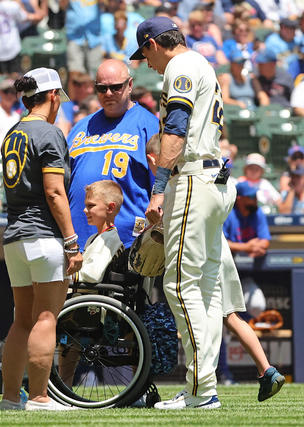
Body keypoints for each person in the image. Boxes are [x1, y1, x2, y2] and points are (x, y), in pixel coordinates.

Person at [132, 16, 234, 409]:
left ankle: (199, 390)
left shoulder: (180, 66)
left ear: (153, 44)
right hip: (214, 179)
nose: (146, 63)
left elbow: (175, 127)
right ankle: (203, 388)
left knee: (178, 284)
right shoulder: (202, 63)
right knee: (205, 290)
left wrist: (158, 190)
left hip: (192, 177)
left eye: (144, 55)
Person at [148, 136, 284, 402]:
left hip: (209, 258)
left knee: (215, 312)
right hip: (217, 256)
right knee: (228, 316)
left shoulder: (182, 188)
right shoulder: (216, 191)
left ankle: (204, 385)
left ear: (155, 160)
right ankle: (265, 369)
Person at [0, 67, 82, 411]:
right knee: (47, 317)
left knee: (22, 319)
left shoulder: (12, 132)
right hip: (43, 237)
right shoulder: (48, 133)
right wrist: (72, 241)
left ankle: (9, 399)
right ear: (52, 96)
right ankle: (38, 396)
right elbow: (54, 192)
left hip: (14, 238)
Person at [67, 59, 159, 248]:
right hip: (79, 245)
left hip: (128, 245)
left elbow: (161, 187)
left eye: (116, 87)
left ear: (130, 85)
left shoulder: (149, 125)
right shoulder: (80, 128)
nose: (108, 94)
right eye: (102, 88)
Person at [73, 180, 125, 284]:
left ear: (110, 208)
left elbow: (92, 275)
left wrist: (63, 274)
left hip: (88, 297)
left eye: (91, 206)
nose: (84, 210)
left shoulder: (109, 239)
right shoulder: (94, 237)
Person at [0, 0, 28, 75]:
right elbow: (24, 17)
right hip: (12, 47)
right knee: (14, 77)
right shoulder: (13, 5)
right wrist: (20, 3)